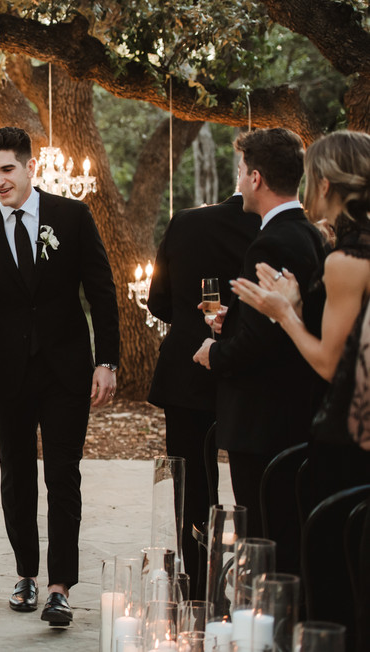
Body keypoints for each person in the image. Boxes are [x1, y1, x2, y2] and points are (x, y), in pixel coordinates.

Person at [0, 126, 119, 626]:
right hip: (8, 372)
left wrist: (107, 362)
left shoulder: (72, 216)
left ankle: (59, 587)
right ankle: (26, 574)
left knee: (63, 477)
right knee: (16, 476)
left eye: (7, 169)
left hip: (66, 369)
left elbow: (102, 291)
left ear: (31, 166)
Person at [193, 127, 326, 544]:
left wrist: (214, 352)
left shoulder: (269, 244)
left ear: (256, 178)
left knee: (267, 538)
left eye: (240, 170)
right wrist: (233, 319)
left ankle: (269, 609)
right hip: (296, 415)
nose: (239, 181)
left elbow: (258, 347)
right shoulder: (310, 235)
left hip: (264, 423)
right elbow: (278, 322)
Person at [230, 130, 370, 502]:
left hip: (347, 431)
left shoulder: (345, 261)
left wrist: (285, 314)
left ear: (324, 184)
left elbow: (330, 362)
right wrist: (301, 308)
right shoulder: (339, 245)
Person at [146, 193, 260, 598]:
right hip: (251, 374)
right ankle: (254, 581)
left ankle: (196, 584)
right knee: (254, 484)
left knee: (192, 483)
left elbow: (157, 300)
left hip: (186, 371)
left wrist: (194, 325)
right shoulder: (269, 229)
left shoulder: (185, 222)